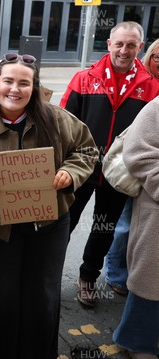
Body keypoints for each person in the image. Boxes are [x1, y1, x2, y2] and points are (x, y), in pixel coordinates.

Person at [0, 53, 98, 359]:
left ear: (34, 88)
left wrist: (71, 172)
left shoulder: (57, 117)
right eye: (8, 81)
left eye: (24, 83)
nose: (15, 89)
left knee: (41, 292)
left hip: (49, 224)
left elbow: (88, 150)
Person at [60, 21, 159, 308]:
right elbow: (64, 123)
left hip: (121, 172)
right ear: (109, 44)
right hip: (80, 167)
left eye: (131, 45)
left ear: (140, 47)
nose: (124, 50)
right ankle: (47, 272)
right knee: (63, 222)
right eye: (119, 44)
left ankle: (88, 277)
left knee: (104, 227)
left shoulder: (152, 87)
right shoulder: (83, 78)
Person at [104, 38, 159, 297]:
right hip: (128, 169)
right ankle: (116, 274)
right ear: (147, 56)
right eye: (156, 56)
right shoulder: (146, 84)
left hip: (139, 171)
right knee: (124, 224)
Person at [112, 96, 159, 359]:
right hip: (157, 214)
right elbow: (138, 154)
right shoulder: (156, 108)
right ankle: (134, 341)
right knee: (151, 282)